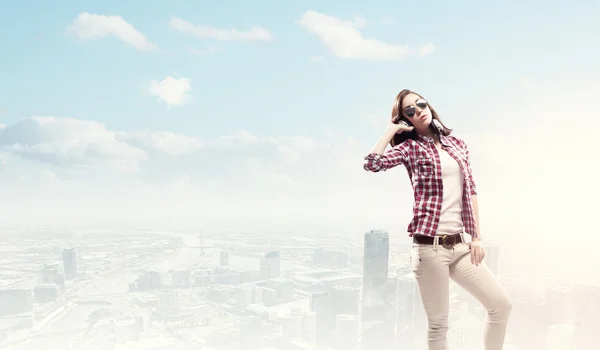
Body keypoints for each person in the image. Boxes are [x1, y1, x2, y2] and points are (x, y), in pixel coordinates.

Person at [363, 89, 512, 350]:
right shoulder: (410, 149)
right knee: (439, 325)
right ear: (405, 120)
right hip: (429, 249)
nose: (418, 110)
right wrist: (390, 130)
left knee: (500, 306)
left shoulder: (457, 144)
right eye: (410, 110)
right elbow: (372, 164)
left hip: (461, 246)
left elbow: (472, 190)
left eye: (420, 104)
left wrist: (476, 237)